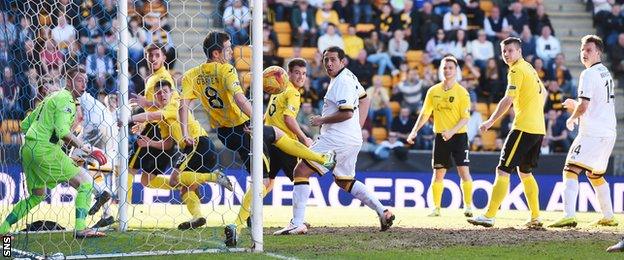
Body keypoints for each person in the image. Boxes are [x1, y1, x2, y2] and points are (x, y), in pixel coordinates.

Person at [178, 31, 335, 247]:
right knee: (262, 179)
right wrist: (256, 122)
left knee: (270, 160)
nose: (231, 50)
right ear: (216, 53)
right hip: (244, 128)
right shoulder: (225, 69)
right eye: (227, 47)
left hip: (225, 134)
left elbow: (183, 105)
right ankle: (238, 224)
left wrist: (185, 132)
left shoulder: (191, 74)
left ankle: (320, 158)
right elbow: (240, 100)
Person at [273, 46, 395, 236]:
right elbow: (365, 100)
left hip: (336, 138)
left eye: (333, 60)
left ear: (342, 62)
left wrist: (322, 120)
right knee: (345, 181)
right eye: (326, 60)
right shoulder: (350, 77)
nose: (329, 63)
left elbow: (346, 112)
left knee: (301, 171)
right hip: (351, 139)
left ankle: (297, 223)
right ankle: (383, 211)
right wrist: (358, 128)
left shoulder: (341, 83)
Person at [0, 67, 107, 238]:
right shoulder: (67, 100)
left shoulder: (51, 97)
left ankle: (3, 229)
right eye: (79, 80)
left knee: (37, 196)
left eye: (86, 80)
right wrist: (85, 147)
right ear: (69, 81)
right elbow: (63, 132)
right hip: (45, 150)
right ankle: (81, 228)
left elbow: (26, 124)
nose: (84, 84)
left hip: (28, 149)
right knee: (86, 183)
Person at [131, 80, 233, 230]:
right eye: (158, 93)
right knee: (185, 187)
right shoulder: (165, 119)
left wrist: (129, 118)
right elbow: (168, 144)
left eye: (165, 91)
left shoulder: (175, 103)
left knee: (174, 180)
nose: (162, 95)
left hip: (198, 143)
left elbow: (152, 116)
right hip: (190, 148)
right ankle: (197, 217)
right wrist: (149, 144)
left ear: (171, 93)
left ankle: (214, 177)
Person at [468, 37, 546, 228]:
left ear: (519, 51)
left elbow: (507, 99)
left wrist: (490, 121)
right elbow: (543, 93)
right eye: (504, 51)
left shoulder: (516, 70)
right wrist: (534, 111)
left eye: (510, 50)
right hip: (538, 128)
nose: (506, 54)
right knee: (525, 172)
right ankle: (535, 217)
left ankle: (489, 215)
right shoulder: (529, 68)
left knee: (503, 169)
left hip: (523, 127)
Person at [549, 35, 618, 228]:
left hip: (593, 133)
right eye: (582, 50)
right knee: (594, 175)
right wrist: (576, 105)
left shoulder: (587, 74)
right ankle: (608, 216)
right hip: (609, 132)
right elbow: (593, 102)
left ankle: (569, 215)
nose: (584, 54)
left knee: (570, 169)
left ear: (598, 52)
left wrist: (572, 117)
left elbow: (585, 105)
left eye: (589, 50)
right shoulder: (605, 72)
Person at [406, 56, 473, 217]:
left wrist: (452, 131)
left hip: (459, 137)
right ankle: (436, 208)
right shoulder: (433, 91)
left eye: (450, 67)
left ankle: (468, 206)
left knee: (463, 172)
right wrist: (414, 130)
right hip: (441, 137)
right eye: (444, 67)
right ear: (440, 70)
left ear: (456, 71)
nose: (447, 70)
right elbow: (425, 113)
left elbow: (465, 118)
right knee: (438, 174)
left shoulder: (462, 93)